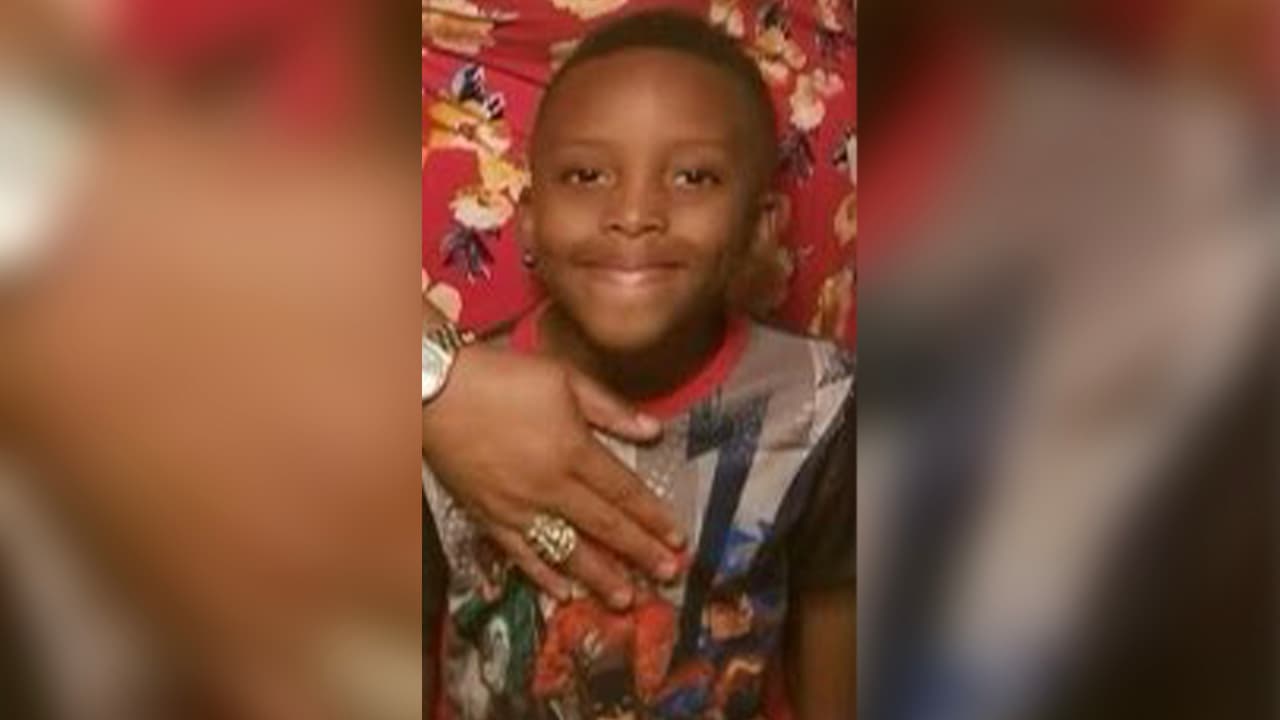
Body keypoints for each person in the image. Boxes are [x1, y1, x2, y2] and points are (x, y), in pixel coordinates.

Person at [423, 10, 855, 719]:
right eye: (587, 174)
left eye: (692, 176)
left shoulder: (820, 404)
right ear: (528, 218)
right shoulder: (446, 407)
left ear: (761, 226)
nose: (633, 212)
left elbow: (834, 622)